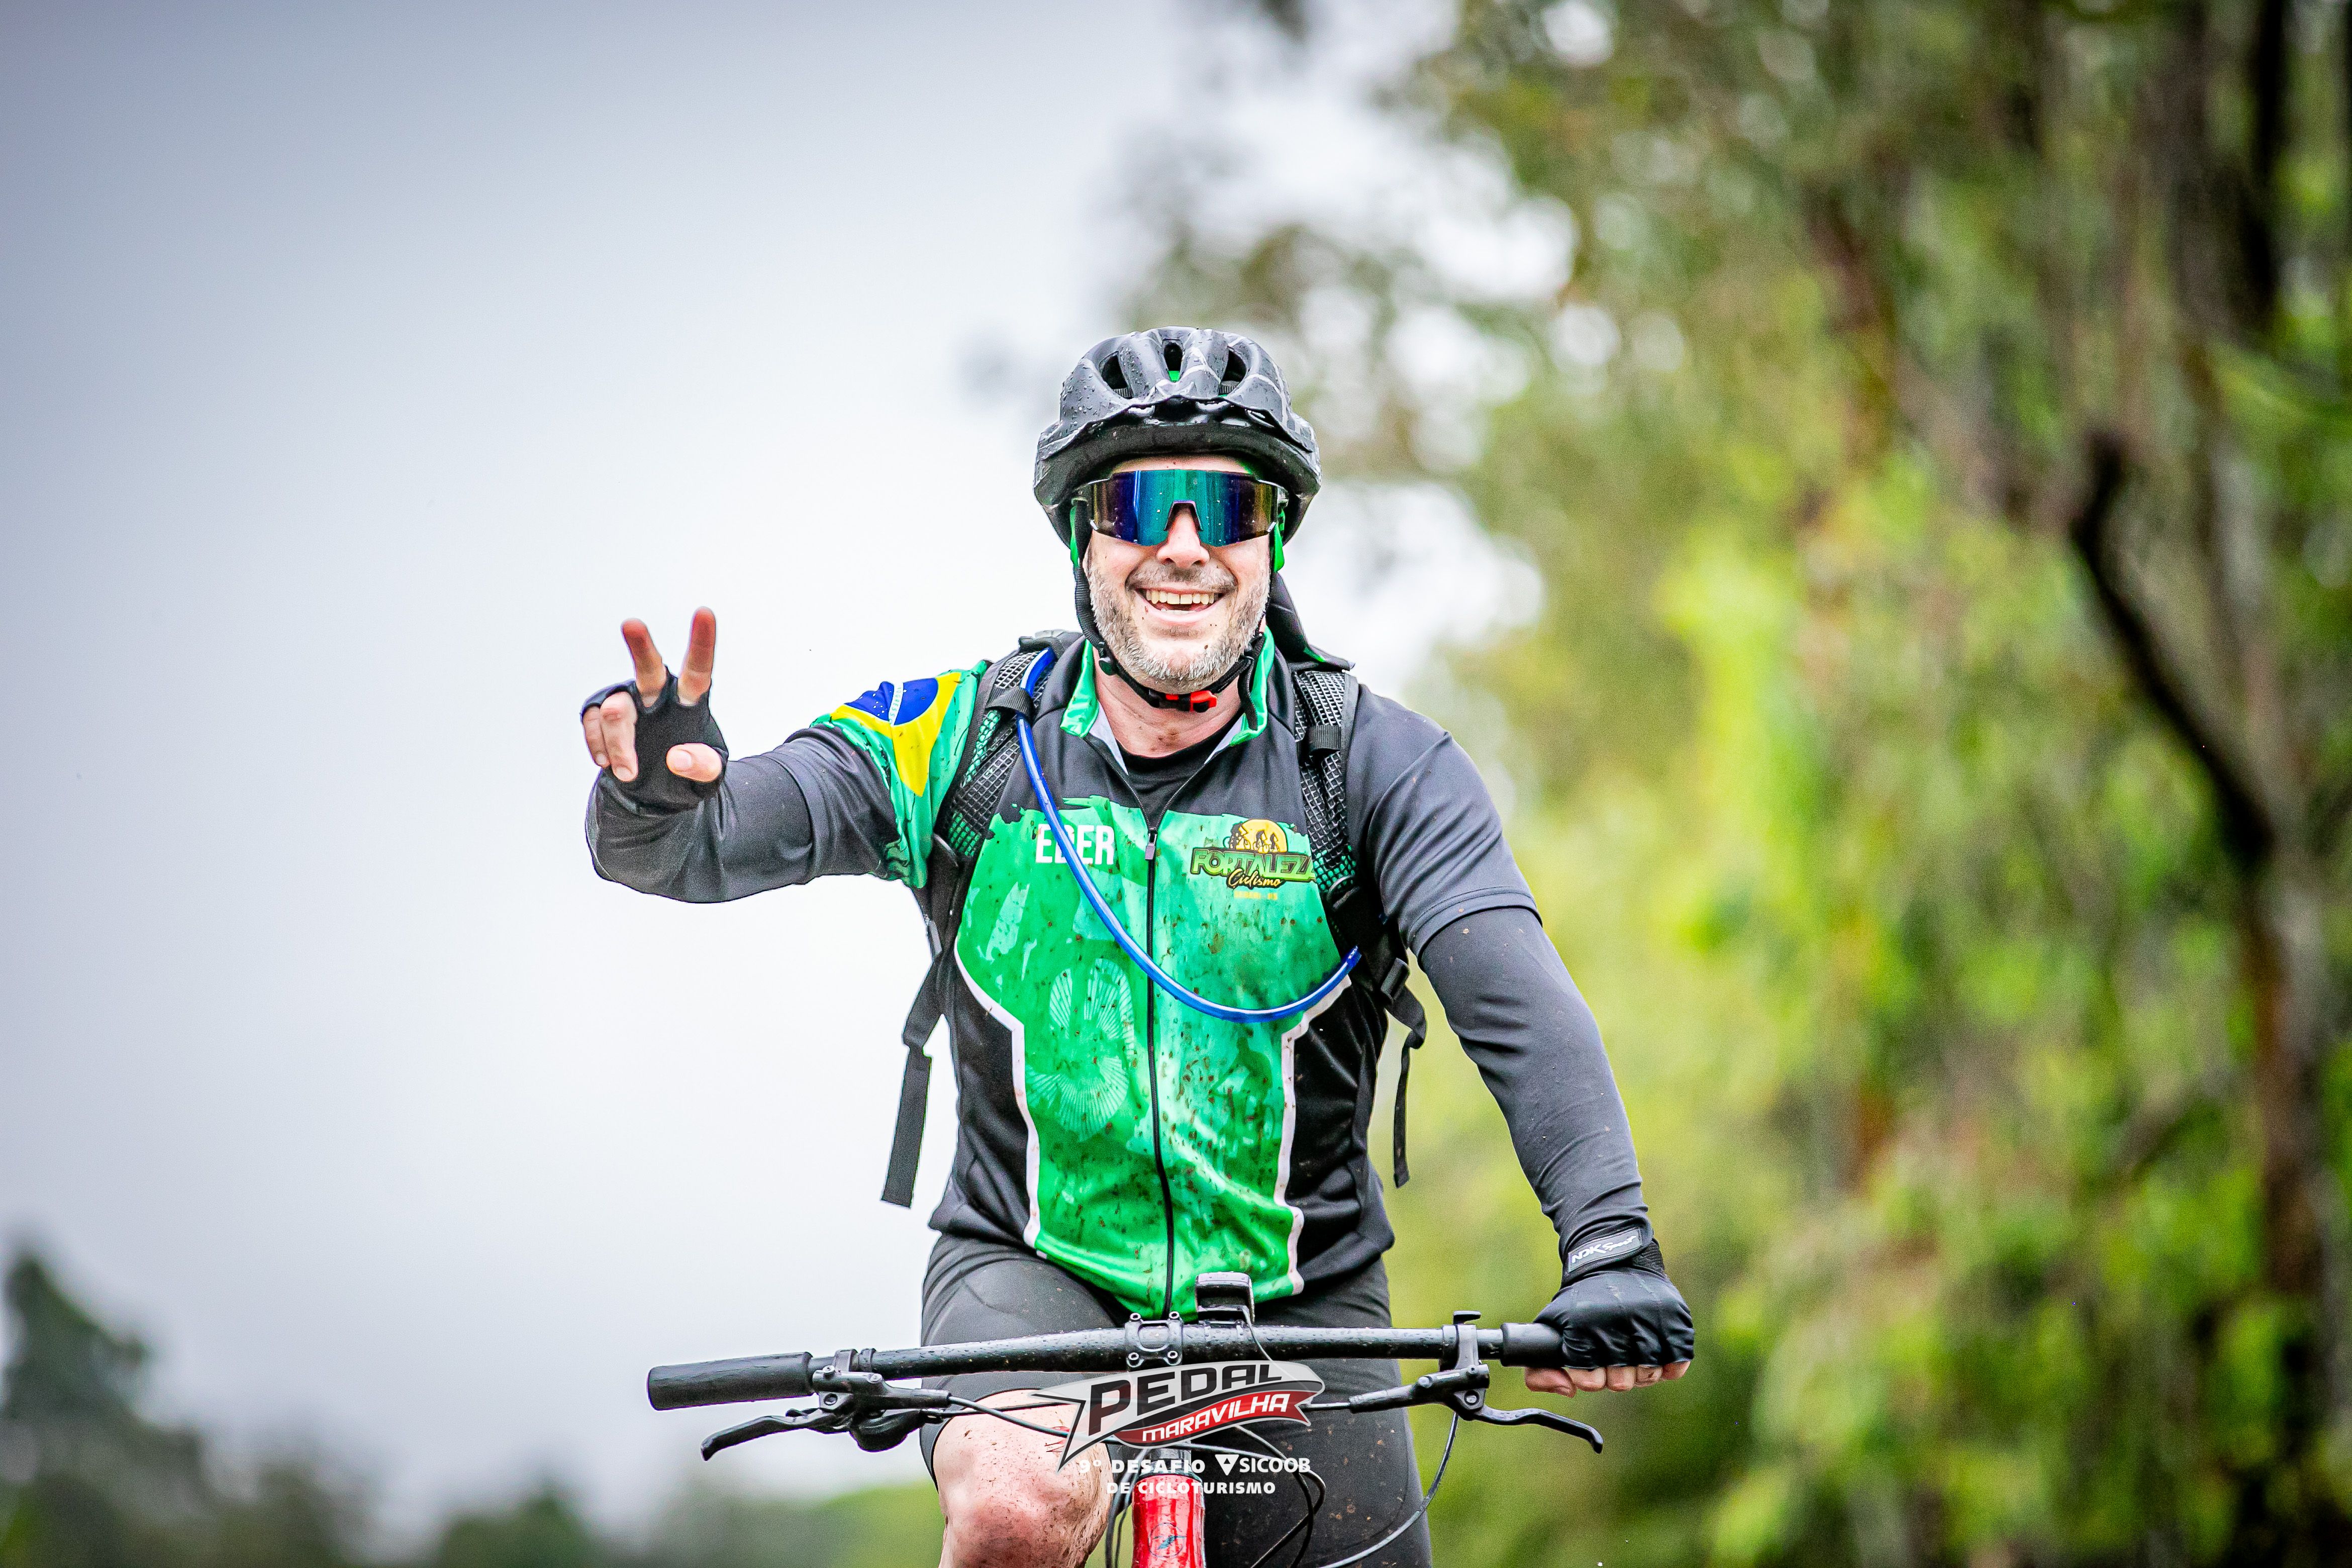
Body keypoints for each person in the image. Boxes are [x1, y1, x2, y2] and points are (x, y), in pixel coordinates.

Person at [579, 327, 1693, 1568]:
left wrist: (1609, 1243)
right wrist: (655, 804)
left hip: (1304, 1300)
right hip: (1029, 1273)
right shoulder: (963, 742)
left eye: (1227, 505)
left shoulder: (1374, 766)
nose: (1184, 546)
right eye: (1140, 505)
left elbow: (1514, 998)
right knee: (1017, 1505)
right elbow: (702, 840)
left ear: (1273, 539)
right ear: (1081, 538)